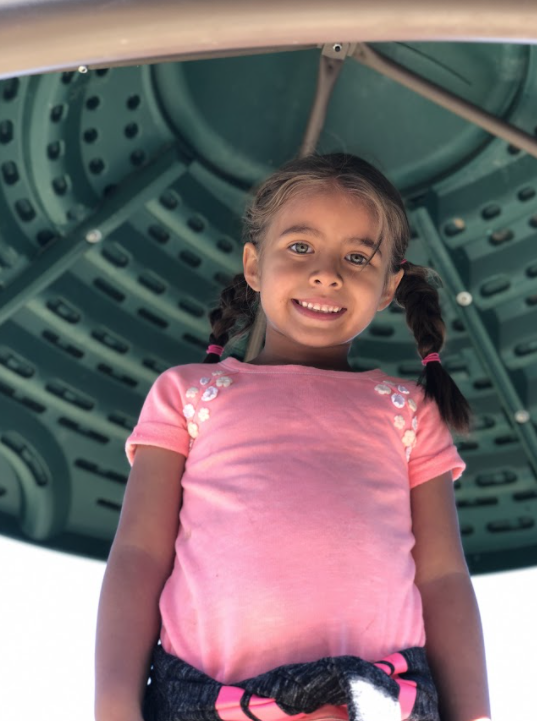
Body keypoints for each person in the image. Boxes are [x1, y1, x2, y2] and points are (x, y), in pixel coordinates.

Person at [95, 154, 491, 721]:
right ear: (254, 266)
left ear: (389, 287)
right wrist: (113, 702)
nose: (327, 273)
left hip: (379, 698)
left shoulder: (409, 411)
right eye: (301, 247)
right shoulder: (187, 394)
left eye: (357, 257)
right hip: (207, 698)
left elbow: (444, 576)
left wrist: (473, 713)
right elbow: (138, 553)